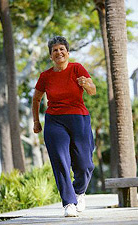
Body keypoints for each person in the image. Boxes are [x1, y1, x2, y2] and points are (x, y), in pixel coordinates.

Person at [32, 36, 96, 217]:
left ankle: (79, 192)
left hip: (79, 118)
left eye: (62, 49)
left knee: (85, 163)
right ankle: (68, 203)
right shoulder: (45, 76)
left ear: (67, 53)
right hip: (55, 121)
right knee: (60, 160)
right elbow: (36, 99)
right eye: (54, 50)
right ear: (51, 56)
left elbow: (92, 91)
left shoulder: (77, 68)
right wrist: (36, 121)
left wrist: (87, 84)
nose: (58, 52)